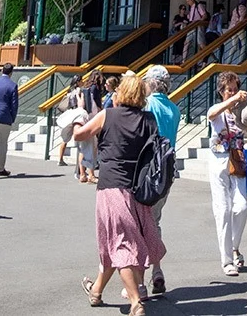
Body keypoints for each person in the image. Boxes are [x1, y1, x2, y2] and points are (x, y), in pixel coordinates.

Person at [76, 73, 167, 316]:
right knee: (117, 242)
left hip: (111, 187)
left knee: (121, 244)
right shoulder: (149, 120)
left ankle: (136, 301)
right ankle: (96, 291)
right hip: (138, 190)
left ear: (121, 93)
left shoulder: (109, 115)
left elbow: (80, 135)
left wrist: (77, 116)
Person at [206, 71, 247, 276]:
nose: (232, 92)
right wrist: (233, 100)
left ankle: (234, 247)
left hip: (239, 161)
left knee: (242, 207)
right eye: (228, 90)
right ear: (222, 92)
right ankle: (227, 261)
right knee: (222, 210)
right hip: (218, 161)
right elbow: (211, 114)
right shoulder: (219, 110)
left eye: (235, 89)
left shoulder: (242, 113)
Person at [141, 66, 180, 296]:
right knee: (154, 222)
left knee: (139, 225)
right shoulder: (173, 109)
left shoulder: (147, 106)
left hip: (147, 172)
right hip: (167, 172)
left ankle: (140, 281)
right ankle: (157, 270)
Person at [75, 74, 102, 184]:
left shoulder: (85, 89)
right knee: (92, 148)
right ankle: (91, 174)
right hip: (92, 119)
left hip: (84, 119)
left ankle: (82, 174)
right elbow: (98, 105)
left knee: (83, 148)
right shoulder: (95, 88)